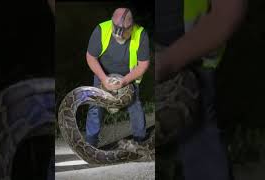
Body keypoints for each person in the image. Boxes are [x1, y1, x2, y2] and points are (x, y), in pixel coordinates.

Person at [156, 0, 245, 180]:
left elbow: (229, 12)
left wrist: (165, 63)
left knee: (200, 145)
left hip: (191, 66)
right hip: (157, 63)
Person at [85, 8, 150, 147]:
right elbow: (91, 57)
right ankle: (90, 144)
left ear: (131, 27)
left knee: (135, 104)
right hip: (103, 73)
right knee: (95, 105)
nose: (118, 33)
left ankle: (140, 142)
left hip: (128, 76)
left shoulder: (141, 34)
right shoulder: (101, 29)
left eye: (124, 30)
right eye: (116, 28)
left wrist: (125, 80)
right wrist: (103, 79)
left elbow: (143, 65)